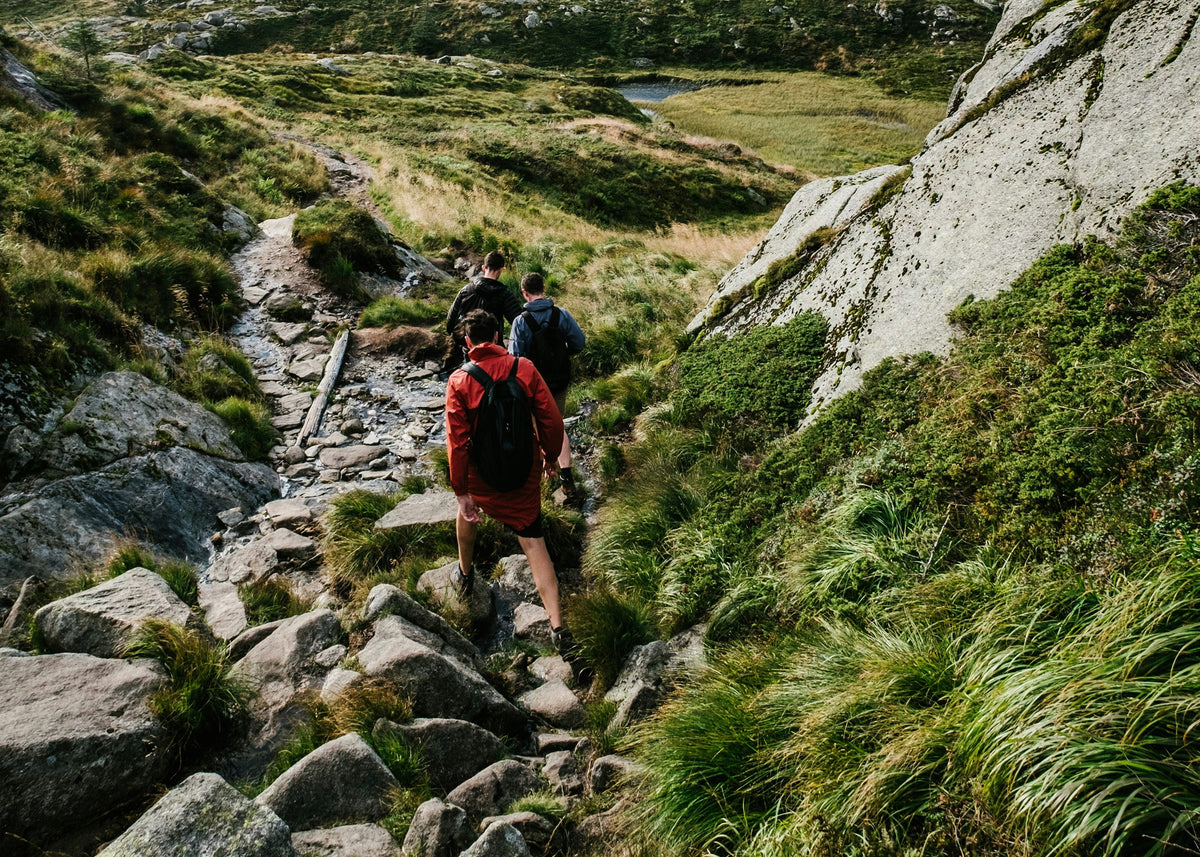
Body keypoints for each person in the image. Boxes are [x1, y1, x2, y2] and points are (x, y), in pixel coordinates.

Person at [444, 308, 579, 658]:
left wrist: (461, 491)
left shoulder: (459, 380)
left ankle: (465, 573)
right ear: (499, 336)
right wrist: (549, 458)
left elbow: (456, 443)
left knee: (468, 515)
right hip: (524, 472)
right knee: (535, 544)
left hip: (481, 478)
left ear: (468, 342)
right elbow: (551, 422)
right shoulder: (526, 368)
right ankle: (559, 629)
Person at [508, 272, 586, 499]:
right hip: (559, 381)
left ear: (524, 292)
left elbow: (515, 359)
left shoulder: (520, 322)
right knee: (557, 426)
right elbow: (579, 343)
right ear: (543, 287)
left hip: (533, 385)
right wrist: (562, 355)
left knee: (534, 429)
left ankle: (542, 476)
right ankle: (566, 476)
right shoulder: (561, 315)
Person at [445, 250, 523, 369]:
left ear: (483, 267)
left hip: (470, 348)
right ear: (501, 269)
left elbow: (450, 322)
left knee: (472, 381)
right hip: (494, 348)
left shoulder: (466, 290)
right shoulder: (503, 294)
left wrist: (461, 339)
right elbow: (519, 321)